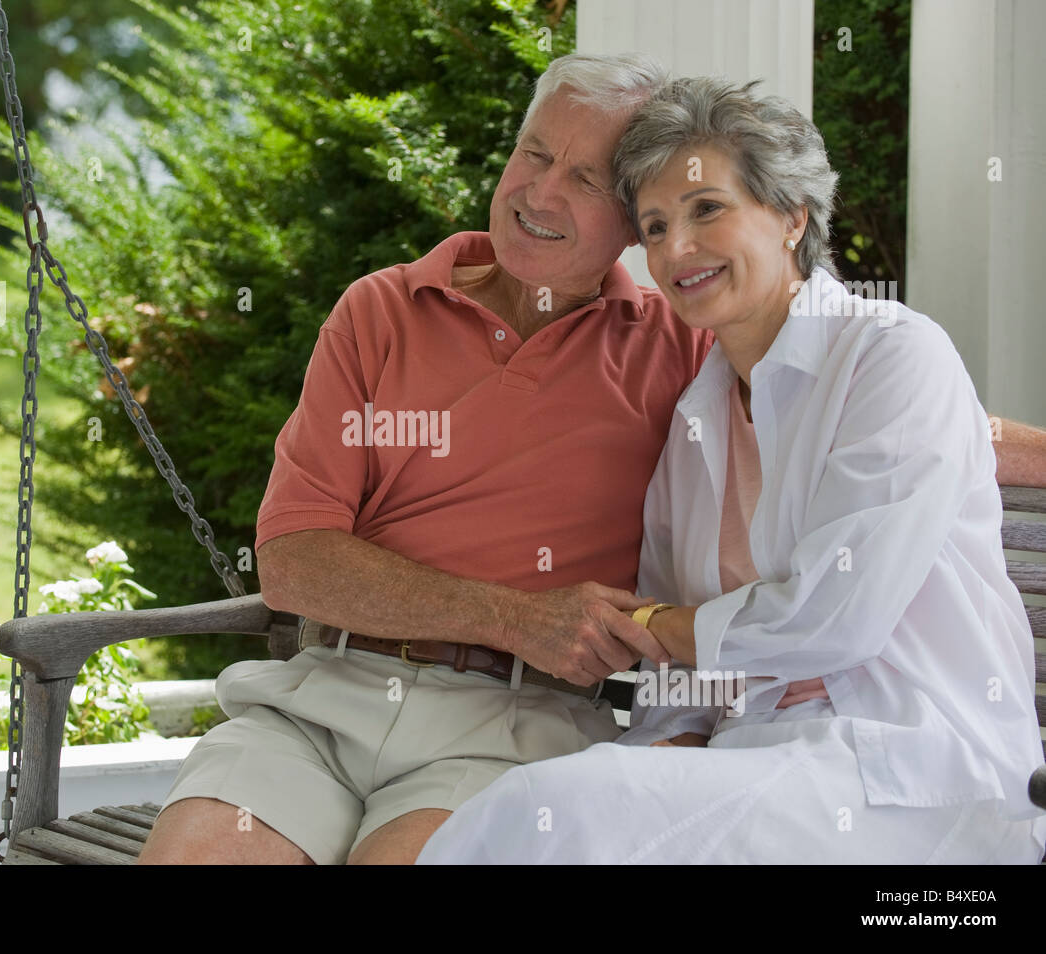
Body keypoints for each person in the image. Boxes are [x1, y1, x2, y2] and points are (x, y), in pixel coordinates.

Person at [416, 76, 1046, 864]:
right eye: (653, 226)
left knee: (545, 813)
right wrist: (673, 733)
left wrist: (658, 629)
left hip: (912, 772)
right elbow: (681, 658)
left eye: (706, 209)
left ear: (791, 215)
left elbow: (834, 617)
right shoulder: (693, 419)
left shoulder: (893, 355)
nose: (676, 249)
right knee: (574, 807)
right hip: (760, 765)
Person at [136, 51, 708, 865]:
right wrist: (514, 616)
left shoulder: (681, 350)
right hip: (319, 704)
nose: (539, 194)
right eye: (535, 153)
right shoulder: (380, 310)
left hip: (513, 729)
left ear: (637, 218)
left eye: (586, 180)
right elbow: (294, 566)